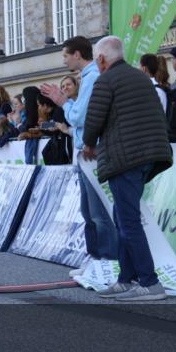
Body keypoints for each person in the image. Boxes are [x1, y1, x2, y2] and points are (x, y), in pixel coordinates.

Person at [82, 36, 173, 301]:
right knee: (122, 217)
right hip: (147, 157)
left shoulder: (106, 80)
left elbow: (94, 118)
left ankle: (150, 282)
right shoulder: (141, 78)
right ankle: (126, 278)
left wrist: (88, 144)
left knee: (129, 221)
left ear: (100, 59)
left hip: (125, 159)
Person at [40, 35, 116, 263]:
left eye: (65, 55)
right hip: (85, 153)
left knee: (98, 213)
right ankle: (95, 259)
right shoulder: (87, 77)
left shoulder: (92, 77)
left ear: (77, 54)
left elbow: (79, 117)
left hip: (93, 153)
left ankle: (107, 261)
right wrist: (66, 103)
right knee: (88, 212)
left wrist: (64, 102)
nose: (63, 60)